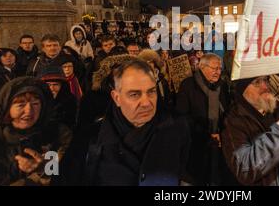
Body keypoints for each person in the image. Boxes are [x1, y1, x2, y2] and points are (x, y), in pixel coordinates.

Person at [57, 59, 190, 186]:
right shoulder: (89, 138)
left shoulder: (178, 128)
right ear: (117, 98)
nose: (146, 103)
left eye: (151, 92)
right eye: (134, 94)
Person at [0, 77, 72, 186]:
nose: (29, 111)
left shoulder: (56, 135)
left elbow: (66, 175)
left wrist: (43, 171)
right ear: (6, 108)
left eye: (35, 103)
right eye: (20, 104)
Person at [221, 76, 279, 186]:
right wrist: (278, 135)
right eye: (257, 82)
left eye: (265, 80)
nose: (265, 86)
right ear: (242, 90)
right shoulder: (233, 121)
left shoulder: (277, 110)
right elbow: (244, 170)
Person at [176, 53, 232, 185]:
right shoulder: (188, 85)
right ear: (202, 67)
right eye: (214, 68)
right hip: (195, 145)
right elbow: (182, 116)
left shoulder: (223, 86)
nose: (218, 72)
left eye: (219, 68)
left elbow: (227, 111)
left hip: (218, 144)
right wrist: (206, 134)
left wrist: (222, 133)